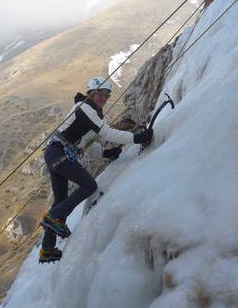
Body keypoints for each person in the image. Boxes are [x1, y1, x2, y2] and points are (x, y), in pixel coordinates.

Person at [38, 76, 153, 263]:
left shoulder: (89, 112)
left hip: (56, 153)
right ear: (90, 93)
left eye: (106, 95)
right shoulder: (85, 108)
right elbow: (107, 133)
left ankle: (48, 248)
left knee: (61, 200)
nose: (103, 98)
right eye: (99, 93)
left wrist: (106, 153)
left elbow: (87, 142)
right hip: (59, 153)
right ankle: (53, 217)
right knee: (89, 186)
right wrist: (137, 138)